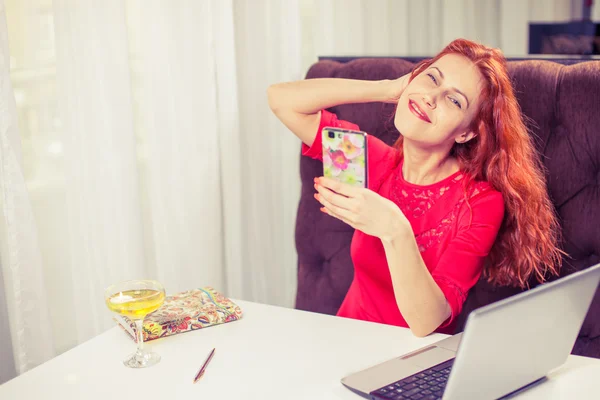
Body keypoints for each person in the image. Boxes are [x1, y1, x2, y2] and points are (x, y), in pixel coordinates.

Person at [267, 39, 564, 337]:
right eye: (432, 78)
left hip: (413, 364)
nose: (431, 97)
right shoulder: (370, 160)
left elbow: (427, 321)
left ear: (466, 132)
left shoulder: (480, 202)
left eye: (454, 100)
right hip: (347, 341)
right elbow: (280, 100)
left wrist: (394, 229)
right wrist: (386, 89)